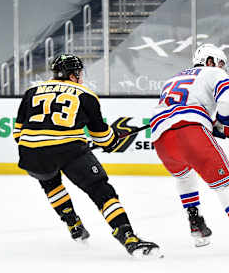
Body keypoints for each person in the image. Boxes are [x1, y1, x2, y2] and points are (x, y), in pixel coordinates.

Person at [13, 54, 161, 257]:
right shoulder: (85, 94)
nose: (80, 76)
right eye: (79, 73)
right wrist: (113, 138)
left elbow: (18, 132)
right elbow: (103, 138)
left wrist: (43, 147)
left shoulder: (31, 92)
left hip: (29, 152)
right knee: (101, 190)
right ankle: (127, 235)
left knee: (50, 181)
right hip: (68, 149)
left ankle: (71, 221)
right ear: (72, 75)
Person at [150, 44, 229, 253]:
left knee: (184, 177)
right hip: (189, 130)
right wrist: (221, 122)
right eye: (220, 63)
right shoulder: (212, 72)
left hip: (160, 138)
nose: (222, 68)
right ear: (210, 61)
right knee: (226, 184)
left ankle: (196, 224)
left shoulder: (173, 79)